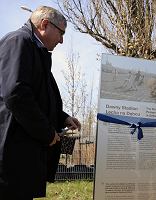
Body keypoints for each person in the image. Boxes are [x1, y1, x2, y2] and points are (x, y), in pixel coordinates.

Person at [0, 6, 81, 199]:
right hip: (11, 156)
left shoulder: (35, 50)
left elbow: (39, 97)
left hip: (21, 156)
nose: (61, 40)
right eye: (61, 33)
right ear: (45, 24)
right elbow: (16, 94)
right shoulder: (19, 41)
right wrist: (46, 133)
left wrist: (62, 118)